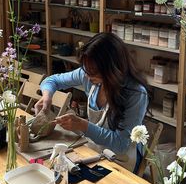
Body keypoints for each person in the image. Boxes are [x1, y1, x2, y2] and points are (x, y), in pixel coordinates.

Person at [35, 32, 149, 171]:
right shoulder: (88, 73)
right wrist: (47, 96)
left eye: (93, 72)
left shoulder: (136, 93)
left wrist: (83, 126)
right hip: (95, 151)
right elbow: (52, 80)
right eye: (86, 70)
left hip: (120, 160)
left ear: (112, 69)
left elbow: (121, 144)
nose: (88, 77)